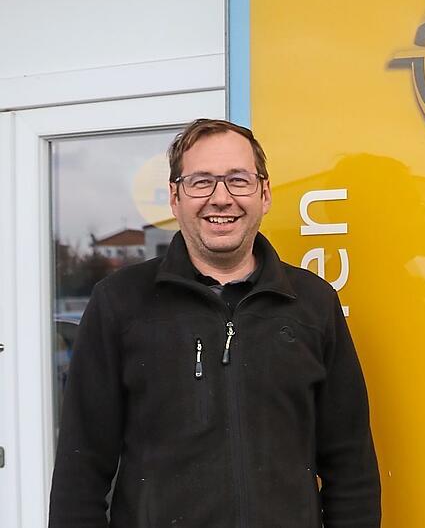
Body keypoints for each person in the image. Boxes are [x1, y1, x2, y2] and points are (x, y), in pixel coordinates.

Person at [49, 119, 381, 527]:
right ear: (175, 197)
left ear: (264, 194)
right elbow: (80, 471)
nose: (221, 198)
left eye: (238, 180)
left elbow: (351, 466)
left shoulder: (313, 303)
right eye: (201, 181)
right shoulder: (119, 302)